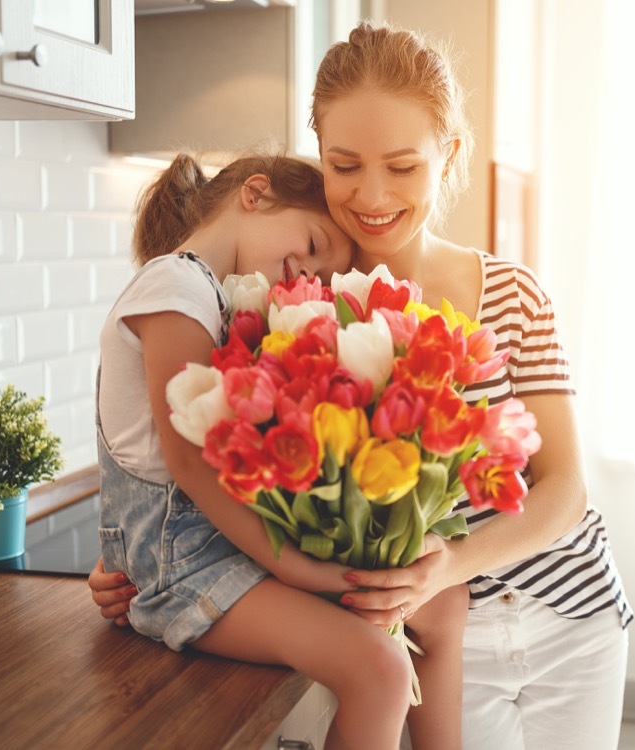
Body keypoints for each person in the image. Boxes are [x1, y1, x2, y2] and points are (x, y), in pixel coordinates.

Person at [92, 20, 634, 750]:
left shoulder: (513, 293)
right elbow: (216, 460)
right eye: (345, 164)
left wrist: (450, 566)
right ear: (319, 159)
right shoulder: (283, 309)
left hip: (571, 616)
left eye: (403, 166)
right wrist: (129, 550)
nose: (372, 193)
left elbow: (565, 486)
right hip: (440, 632)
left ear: (449, 156)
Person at [94, 151, 467, 750]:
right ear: (255, 193)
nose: (307, 272)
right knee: (381, 669)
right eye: (316, 241)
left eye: (322, 271)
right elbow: (187, 463)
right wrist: (298, 568)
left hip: (221, 550)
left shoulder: (213, 294)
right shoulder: (175, 283)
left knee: (444, 604)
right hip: (188, 565)